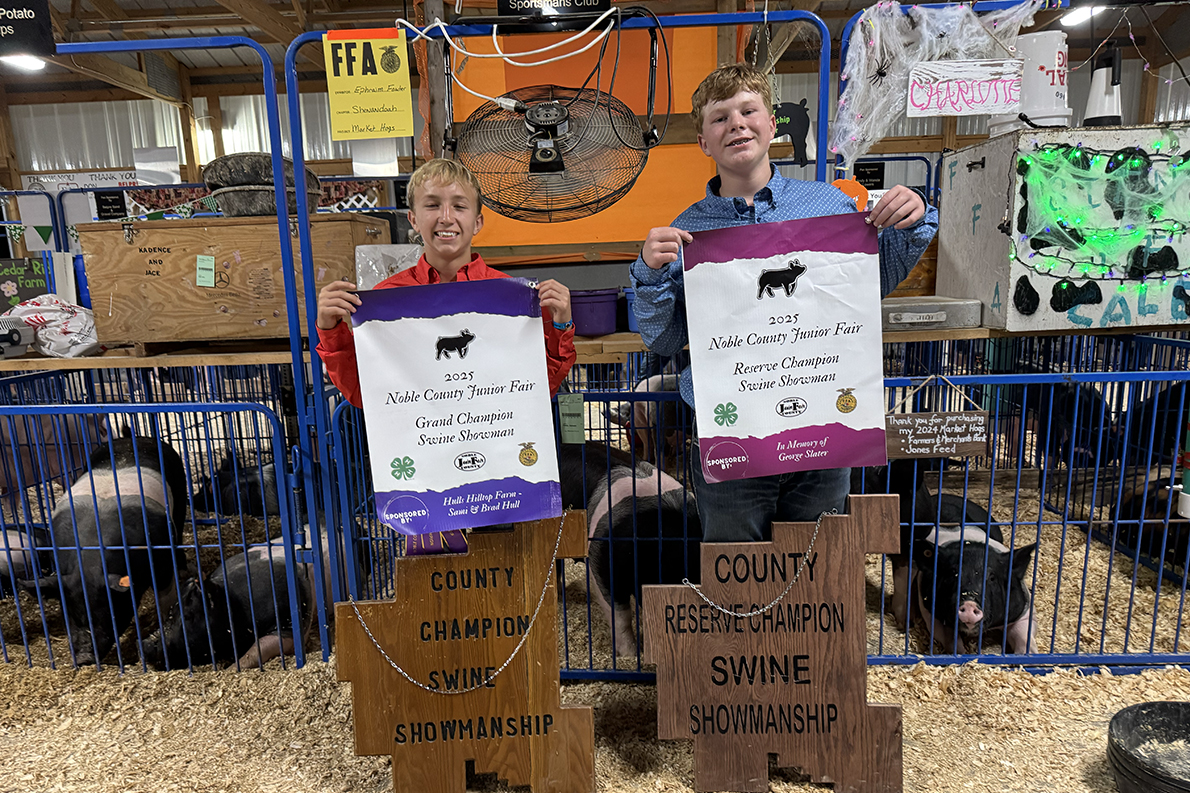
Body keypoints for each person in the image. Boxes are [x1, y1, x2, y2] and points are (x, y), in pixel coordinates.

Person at [630, 63, 938, 543]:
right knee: (735, 567)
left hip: (822, 428)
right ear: (704, 143)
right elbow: (666, 336)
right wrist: (648, 275)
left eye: (748, 110)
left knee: (817, 567)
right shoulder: (687, 229)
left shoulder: (831, 207)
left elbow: (871, 283)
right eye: (719, 118)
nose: (736, 123)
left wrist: (913, 215)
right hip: (732, 436)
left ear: (772, 124)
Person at [316, 157, 576, 553]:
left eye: (459, 204)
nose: (446, 216)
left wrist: (560, 324)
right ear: (413, 219)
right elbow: (361, 392)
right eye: (432, 204)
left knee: (508, 586)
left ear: (478, 221)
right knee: (437, 598)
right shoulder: (383, 303)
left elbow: (540, 388)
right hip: (427, 489)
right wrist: (331, 328)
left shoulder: (513, 298)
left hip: (502, 483)